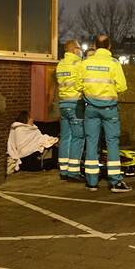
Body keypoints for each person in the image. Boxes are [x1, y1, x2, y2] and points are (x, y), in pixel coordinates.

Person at [81, 34, 131, 192]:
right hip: (109, 109)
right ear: (109, 47)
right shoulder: (114, 63)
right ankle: (115, 181)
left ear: (94, 47)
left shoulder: (86, 63)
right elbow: (122, 86)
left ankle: (91, 182)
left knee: (91, 143)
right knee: (112, 143)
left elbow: (77, 85)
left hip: (90, 108)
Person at [55, 39, 85, 182]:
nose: (81, 51)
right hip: (75, 105)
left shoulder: (60, 64)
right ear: (74, 50)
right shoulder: (78, 64)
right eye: (79, 48)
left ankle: (63, 169)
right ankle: (73, 171)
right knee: (78, 137)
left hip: (63, 104)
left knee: (65, 137)